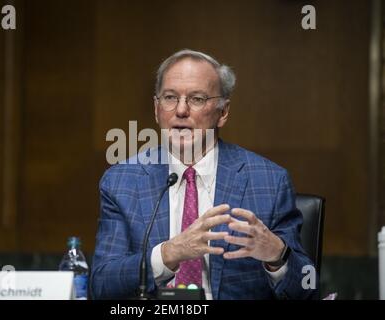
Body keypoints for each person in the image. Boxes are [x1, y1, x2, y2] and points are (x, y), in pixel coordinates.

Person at [91, 49, 318, 299]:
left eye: (197, 99)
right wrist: (168, 253)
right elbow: (102, 285)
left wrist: (277, 255)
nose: (180, 110)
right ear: (157, 109)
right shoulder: (122, 182)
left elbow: (307, 290)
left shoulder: (268, 181)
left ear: (223, 112)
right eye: (169, 97)